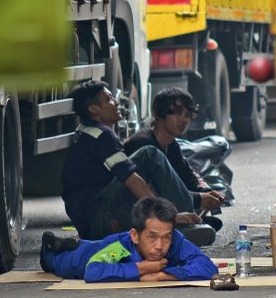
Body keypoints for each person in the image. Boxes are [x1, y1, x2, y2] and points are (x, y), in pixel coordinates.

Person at [61, 80, 216, 246]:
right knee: (149, 154)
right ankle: (177, 226)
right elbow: (131, 179)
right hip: (101, 221)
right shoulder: (102, 136)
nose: (116, 102)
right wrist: (167, 215)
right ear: (93, 109)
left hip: (93, 222)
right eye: (109, 100)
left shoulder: (87, 131)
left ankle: (177, 228)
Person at [41, 197, 218, 282]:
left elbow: (207, 267)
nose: (160, 246)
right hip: (82, 258)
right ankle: (50, 248)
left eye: (166, 238)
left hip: (97, 247)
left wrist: (161, 275)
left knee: (88, 246)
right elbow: (92, 271)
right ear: (134, 235)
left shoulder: (174, 238)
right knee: (59, 261)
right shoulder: (119, 246)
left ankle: (66, 243)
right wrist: (142, 268)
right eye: (152, 237)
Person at [124, 87, 226, 232]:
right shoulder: (142, 145)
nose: (184, 120)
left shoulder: (171, 144)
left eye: (188, 115)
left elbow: (188, 178)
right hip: (137, 210)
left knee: (209, 217)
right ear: (159, 114)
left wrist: (207, 192)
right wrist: (199, 198)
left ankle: (186, 225)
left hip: (164, 208)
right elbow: (154, 194)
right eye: (177, 113)